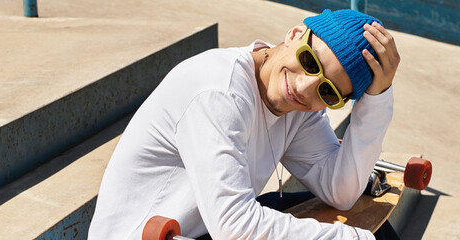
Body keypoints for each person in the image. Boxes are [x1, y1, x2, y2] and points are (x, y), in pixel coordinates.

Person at [88, 9, 401, 240]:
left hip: (204, 229)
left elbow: (341, 190)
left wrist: (377, 99)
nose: (304, 88)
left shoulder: (298, 108)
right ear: (294, 34)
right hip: (144, 235)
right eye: (310, 61)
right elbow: (235, 226)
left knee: (377, 229)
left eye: (328, 91)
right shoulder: (218, 90)